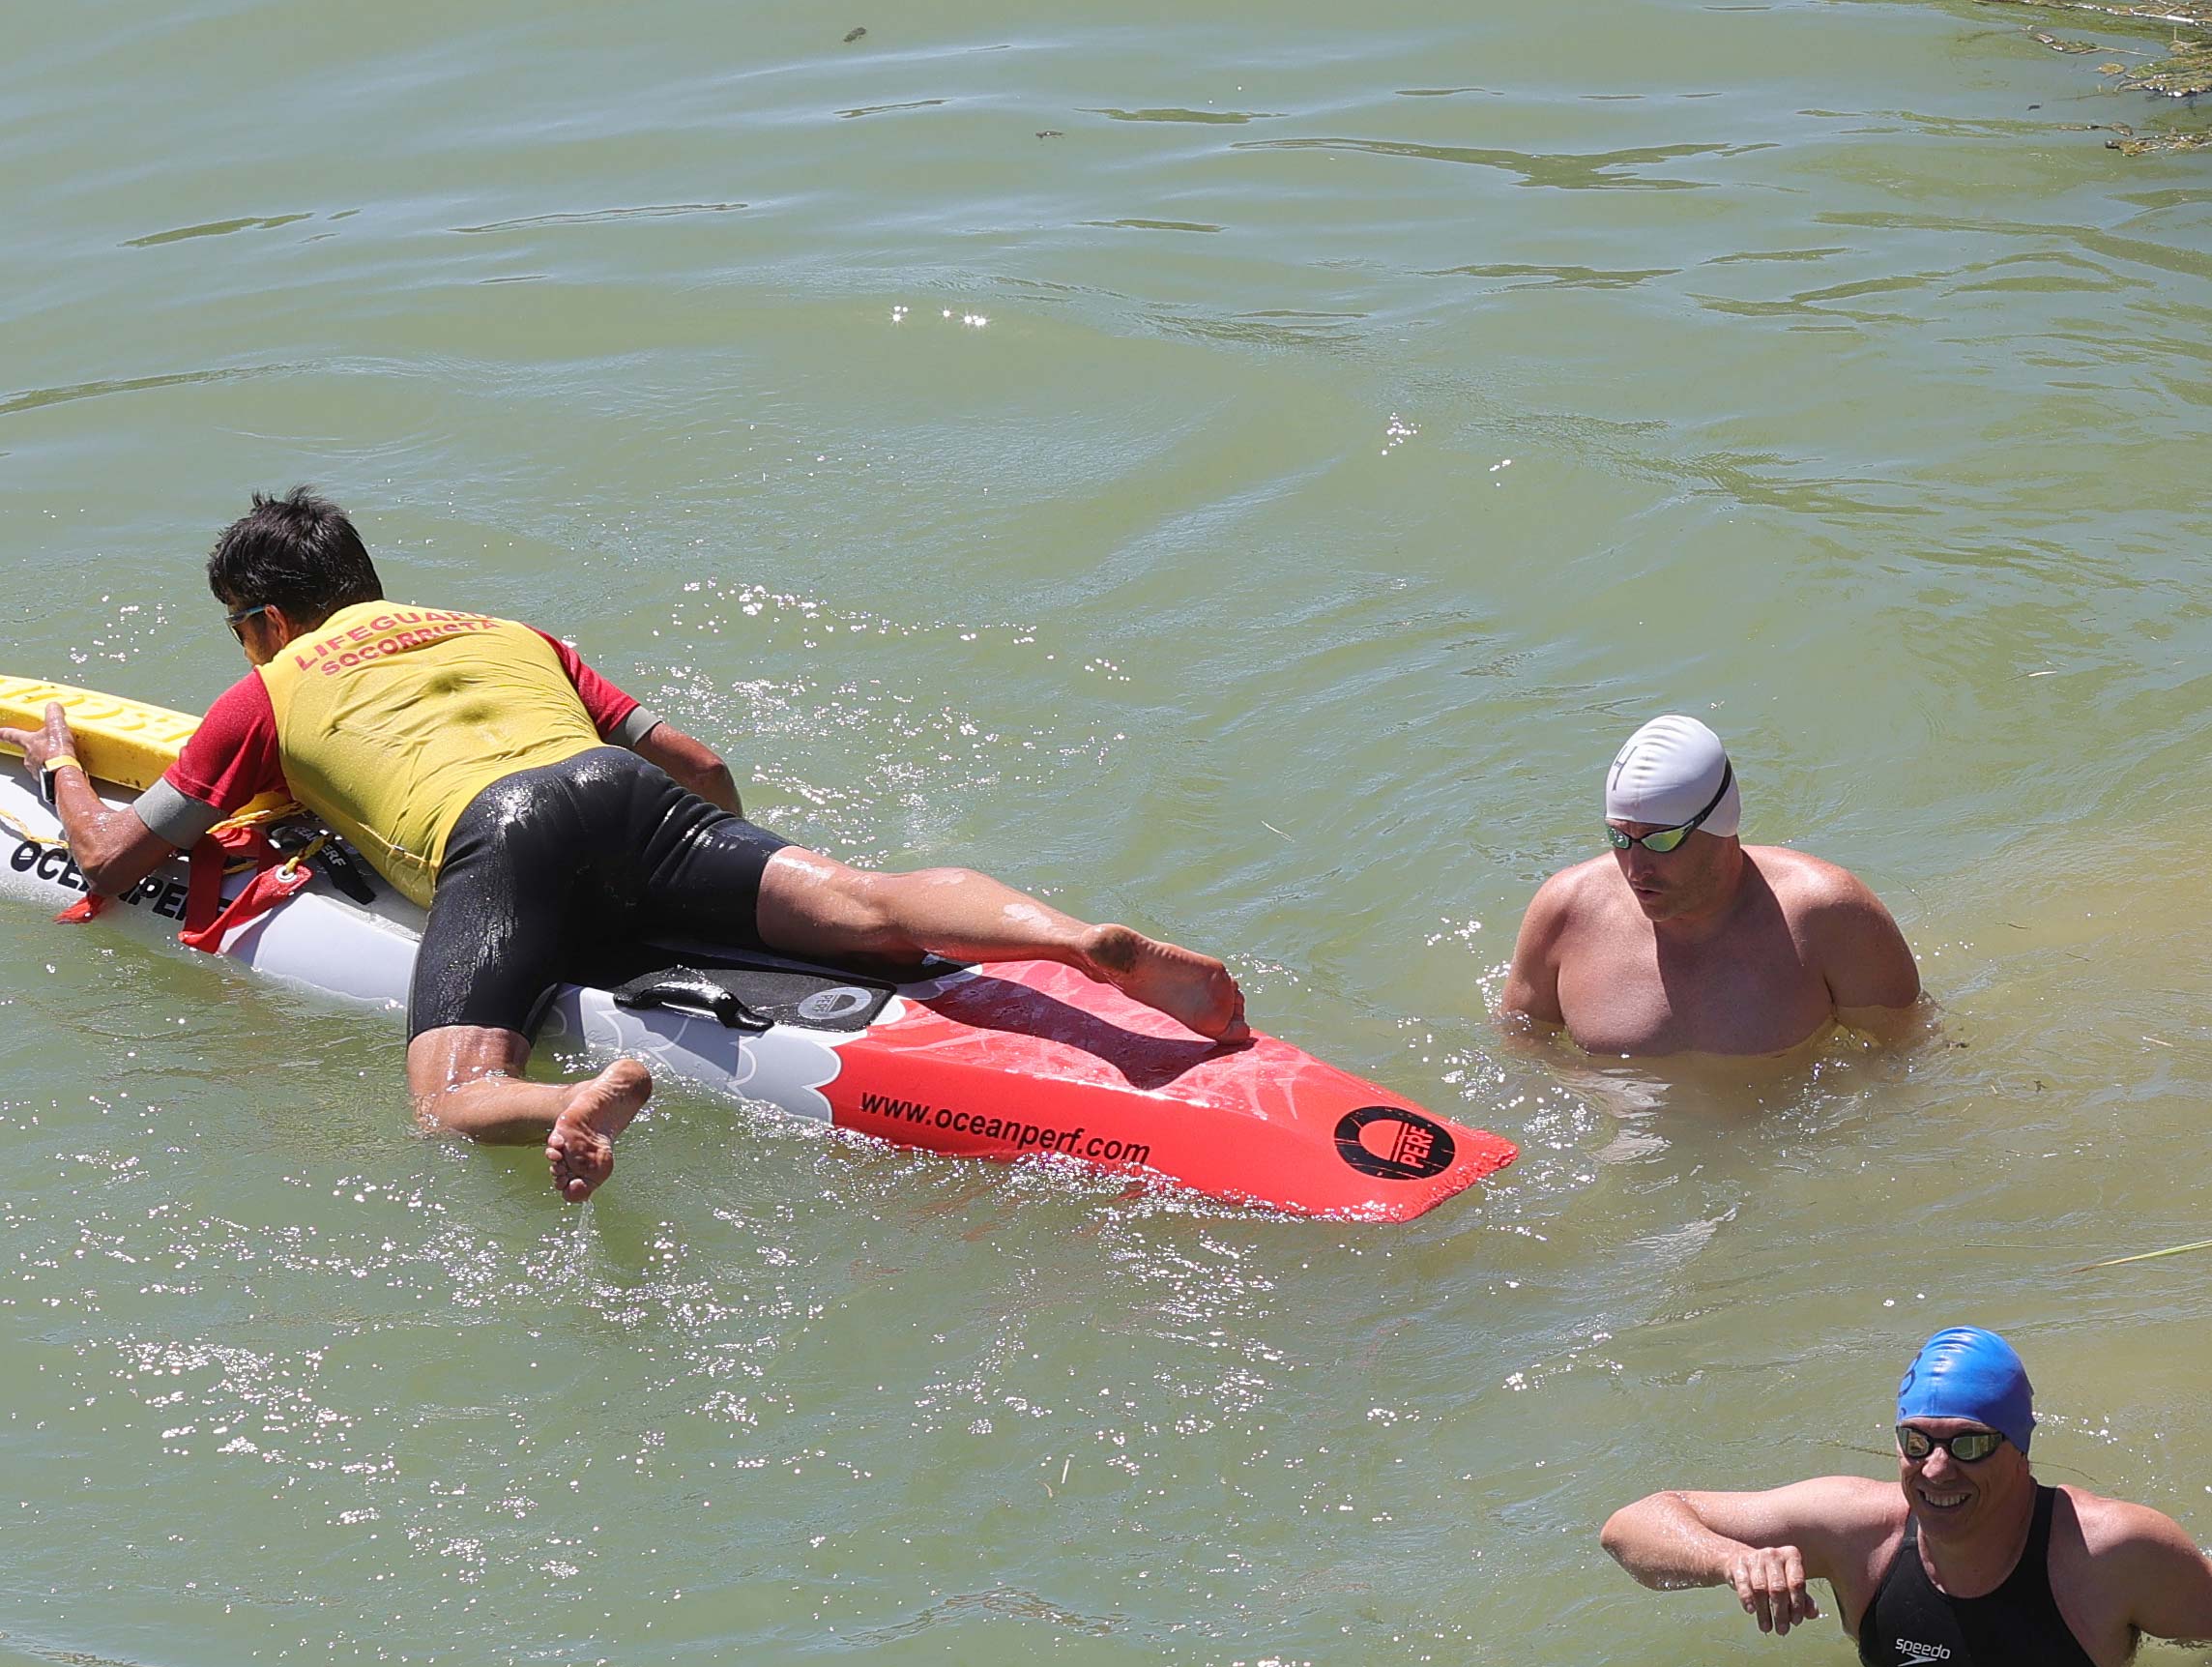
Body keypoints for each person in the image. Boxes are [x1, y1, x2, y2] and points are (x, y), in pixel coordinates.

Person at [12, 490, 1246, 1200]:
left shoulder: (268, 693)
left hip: (498, 842)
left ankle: (573, 1099)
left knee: (442, 1098)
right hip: (626, 795)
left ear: (268, 619)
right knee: (870, 902)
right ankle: (1076, 938)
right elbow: (701, 767)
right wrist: (715, 874)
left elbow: (119, 856)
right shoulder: (505, 629)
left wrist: (57, 761)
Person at [1596, 1328, 2212, 1667]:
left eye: (1967, 1444)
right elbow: (1632, 1525)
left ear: (2018, 1449)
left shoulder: (2111, 1553)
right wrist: (1729, 1560)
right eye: (1917, 1443)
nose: (1936, 1471)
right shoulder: (1854, 1528)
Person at [1498, 716, 1923, 1058]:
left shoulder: (1830, 916)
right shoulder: (1566, 911)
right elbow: (1521, 1056)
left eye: (1661, 840)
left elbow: (1907, 1058)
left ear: (1722, 827)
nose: (1635, 866)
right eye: (1619, 838)